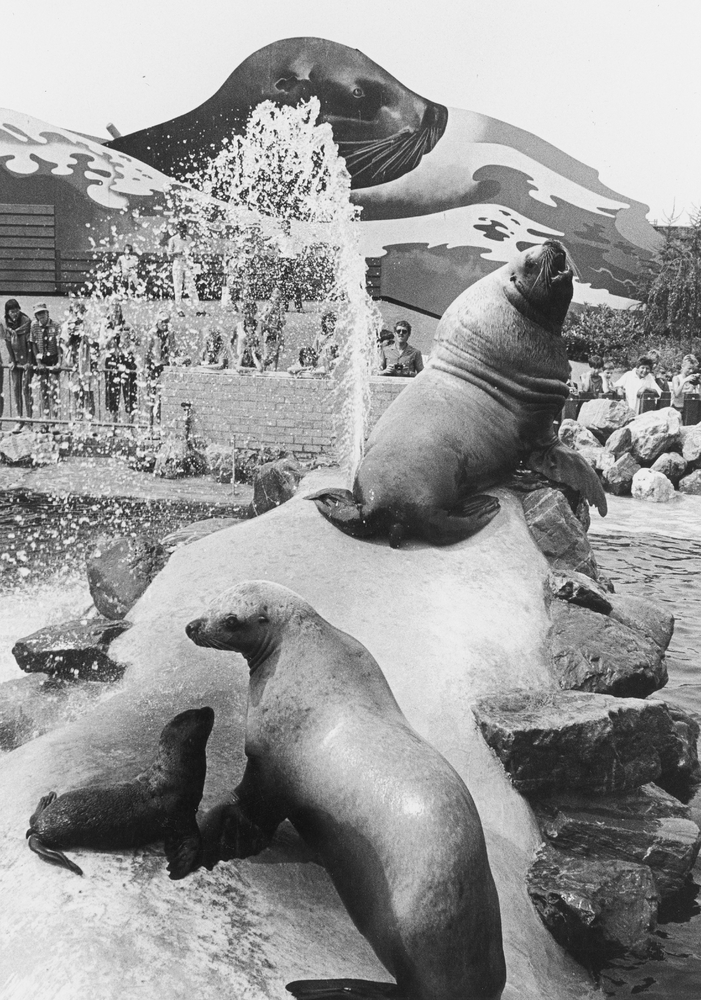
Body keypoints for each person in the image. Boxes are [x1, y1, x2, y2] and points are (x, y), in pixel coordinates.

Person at [100, 301, 139, 421]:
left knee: (130, 393)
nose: (115, 314)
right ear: (108, 312)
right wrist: (111, 336)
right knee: (112, 394)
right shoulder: (105, 326)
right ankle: (114, 424)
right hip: (112, 360)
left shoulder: (127, 326)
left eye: (117, 311)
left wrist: (128, 349)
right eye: (113, 311)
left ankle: (130, 425)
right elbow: (101, 345)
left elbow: (136, 343)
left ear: (121, 312)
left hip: (126, 360)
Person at [61, 301, 97, 418]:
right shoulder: (67, 325)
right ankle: (78, 415)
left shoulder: (89, 324)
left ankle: (91, 417)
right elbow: (63, 344)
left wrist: (85, 336)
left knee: (89, 391)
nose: (77, 315)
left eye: (80, 312)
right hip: (74, 362)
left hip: (87, 362)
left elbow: (95, 343)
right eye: (75, 312)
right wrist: (71, 338)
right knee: (76, 391)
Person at [1, 298, 34, 425]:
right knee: (16, 388)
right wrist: (13, 361)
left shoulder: (26, 321)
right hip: (14, 359)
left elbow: (30, 343)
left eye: (16, 311)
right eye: (12, 312)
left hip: (26, 359)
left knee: (26, 388)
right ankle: (19, 419)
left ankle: (29, 419)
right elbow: (7, 342)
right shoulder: (5, 323)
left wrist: (28, 361)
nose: (15, 314)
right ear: (7, 312)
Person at [29, 302, 61, 424]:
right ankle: (46, 419)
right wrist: (38, 362)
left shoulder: (55, 325)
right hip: (42, 360)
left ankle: (55, 419)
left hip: (53, 359)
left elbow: (59, 345)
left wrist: (59, 362)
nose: (41, 316)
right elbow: (33, 344)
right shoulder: (34, 326)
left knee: (53, 391)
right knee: (44, 391)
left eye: (43, 313)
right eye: (38, 314)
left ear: (47, 313)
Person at [144, 311, 176, 420]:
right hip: (154, 366)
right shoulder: (152, 333)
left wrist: (173, 360)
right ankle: (150, 424)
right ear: (157, 321)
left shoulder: (170, 332)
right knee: (151, 396)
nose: (164, 324)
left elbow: (173, 348)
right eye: (162, 321)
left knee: (163, 396)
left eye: (166, 321)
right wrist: (147, 367)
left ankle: (160, 421)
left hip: (164, 366)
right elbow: (147, 352)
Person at [167, 222, 202, 316]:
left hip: (186, 262)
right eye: (182, 231)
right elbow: (169, 253)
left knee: (191, 286)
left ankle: (198, 309)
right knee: (178, 286)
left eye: (185, 231)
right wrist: (177, 252)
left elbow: (191, 250)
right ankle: (179, 309)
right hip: (177, 262)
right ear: (178, 230)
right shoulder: (173, 239)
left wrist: (192, 253)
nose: (183, 233)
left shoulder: (189, 239)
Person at [259, 287, 287, 370]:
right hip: (268, 333)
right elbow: (262, 318)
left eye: (279, 298)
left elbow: (283, 322)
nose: (277, 300)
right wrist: (270, 310)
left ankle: (273, 371)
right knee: (266, 355)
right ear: (272, 296)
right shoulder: (267, 306)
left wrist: (281, 315)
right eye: (275, 297)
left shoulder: (280, 308)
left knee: (275, 355)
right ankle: (263, 371)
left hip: (277, 333)